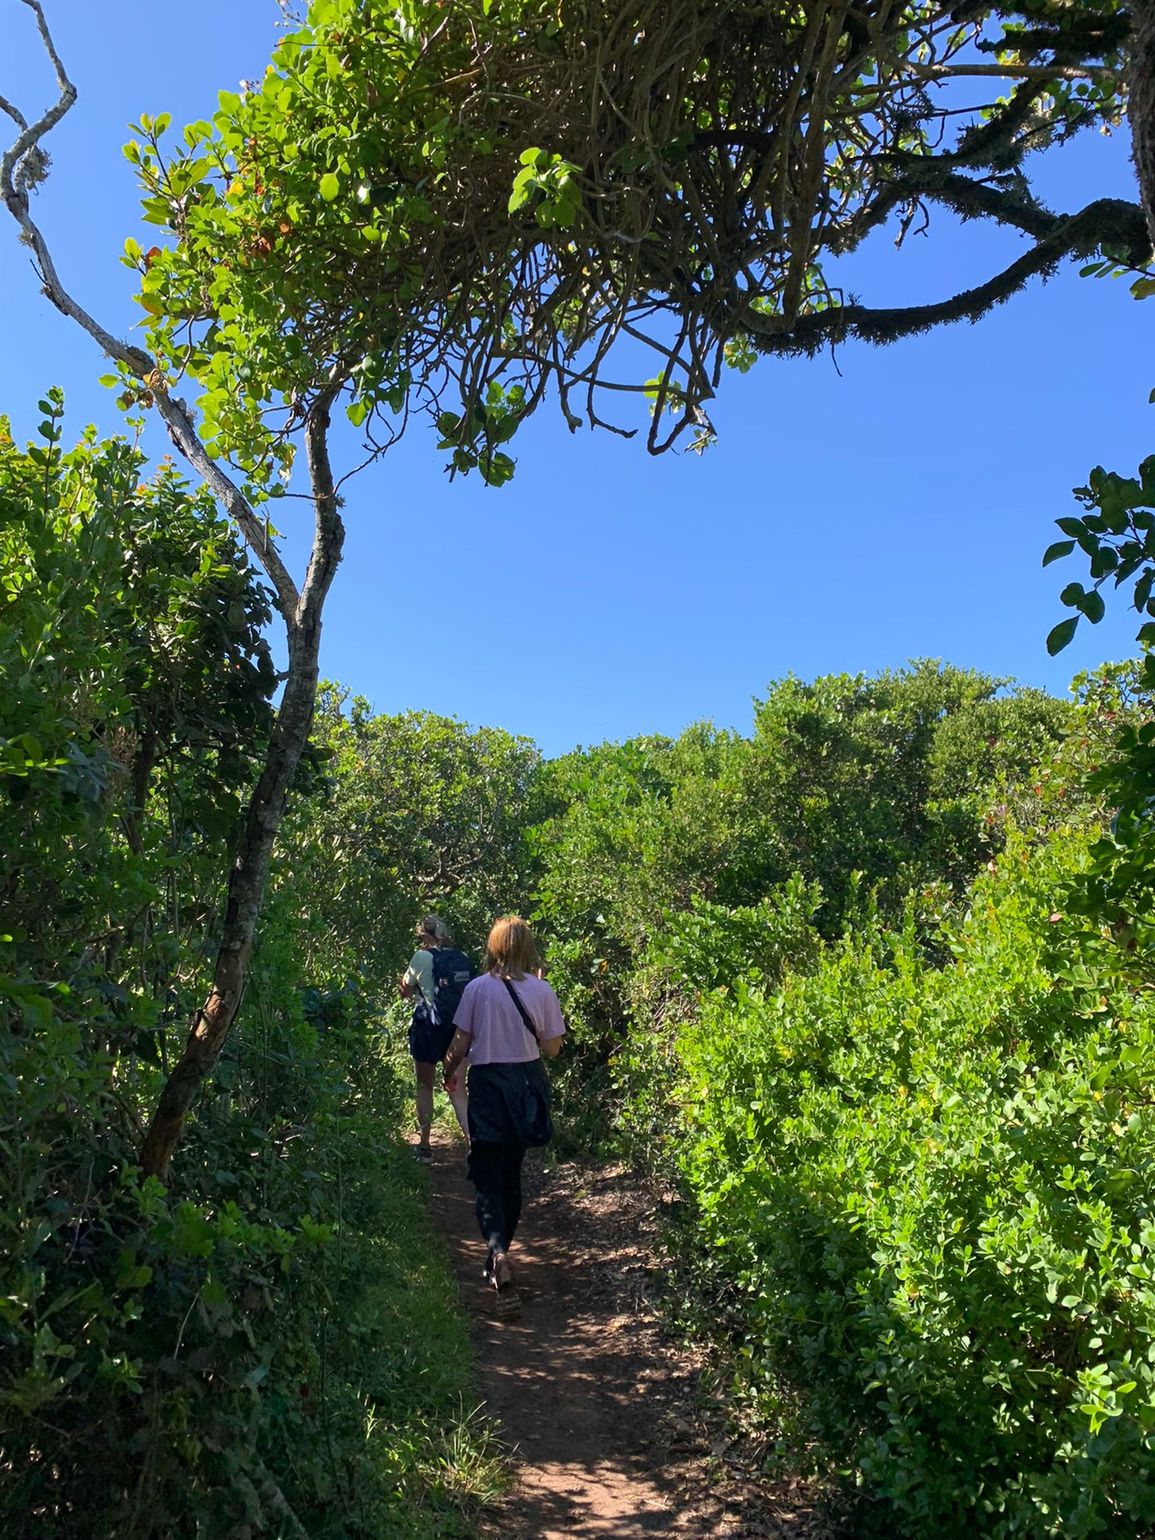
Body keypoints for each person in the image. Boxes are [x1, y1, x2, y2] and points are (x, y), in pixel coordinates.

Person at [441, 915, 564, 1315]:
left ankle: (496, 1253)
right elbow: (553, 1050)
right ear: (528, 948)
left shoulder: (477, 989)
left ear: (494, 947)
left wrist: (448, 1069)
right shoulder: (542, 990)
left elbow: (460, 1041)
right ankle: (501, 1253)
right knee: (511, 1175)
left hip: (489, 1087)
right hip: (525, 1087)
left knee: (485, 1173)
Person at [399, 914, 471, 1161]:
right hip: (457, 1031)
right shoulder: (461, 958)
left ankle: (425, 1147)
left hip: (428, 1029)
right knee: (458, 1089)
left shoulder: (421, 957)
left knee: (424, 1085)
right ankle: (476, 1148)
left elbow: (405, 992)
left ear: (426, 936)